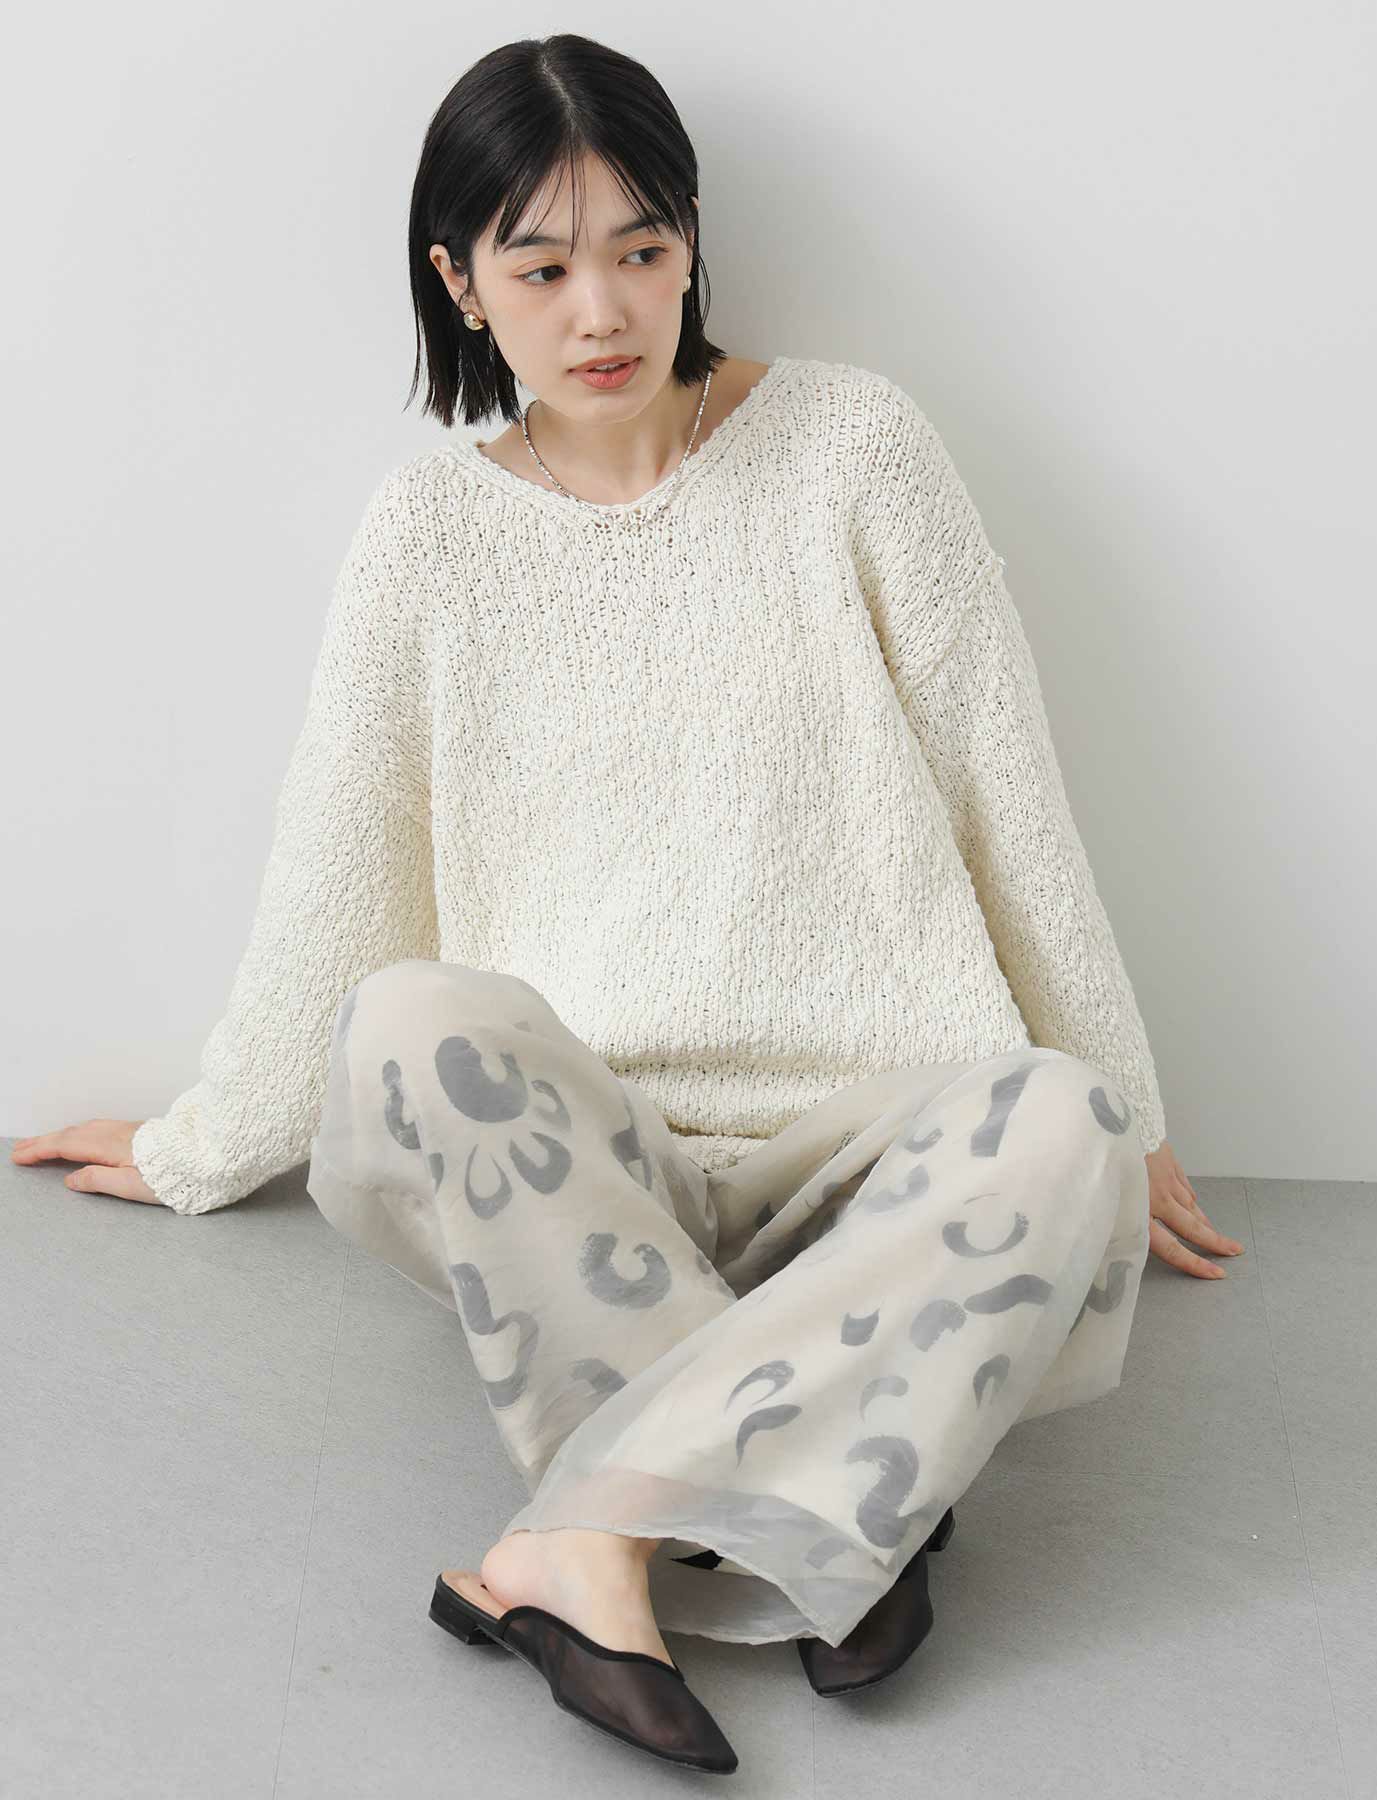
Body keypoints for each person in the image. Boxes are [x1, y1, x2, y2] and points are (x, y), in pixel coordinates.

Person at [11, 31, 1243, 1778]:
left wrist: (1133, 1111)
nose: (602, 310)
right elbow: (339, 872)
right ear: (461, 281)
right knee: (411, 1019)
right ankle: (840, 1500)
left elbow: (1005, 792)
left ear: (689, 243)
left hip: (871, 1166)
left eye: (642, 250)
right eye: (540, 267)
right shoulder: (428, 535)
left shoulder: (852, 445)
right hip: (586, 1175)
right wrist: (206, 1142)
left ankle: (582, 1548)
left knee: (1061, 1119)